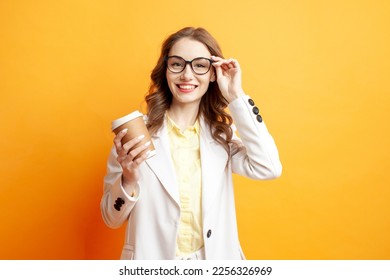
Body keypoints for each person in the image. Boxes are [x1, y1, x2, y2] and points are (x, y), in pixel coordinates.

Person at [101, 27, 282, 260]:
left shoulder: (221, 136)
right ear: (166, 70)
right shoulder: (135, 136)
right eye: (177, 64)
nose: (187, 75)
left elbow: (269, 167)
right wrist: (128, 178)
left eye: (199, 65)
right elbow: (110, 218)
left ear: (213, 73)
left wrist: (236, 96)